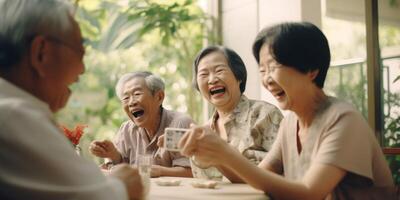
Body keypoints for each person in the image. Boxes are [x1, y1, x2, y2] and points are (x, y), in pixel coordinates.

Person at [178, 22, 394, 199]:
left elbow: (310, 193)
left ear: (310, 69)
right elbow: (255, 178)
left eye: (273, 67)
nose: (266, 80)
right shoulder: (291, 123)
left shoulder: (344, 120)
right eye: (262, 70)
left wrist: (224, 153)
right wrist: (217, 157)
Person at [0, 0, 143, 199]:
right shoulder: (15, 117)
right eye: (80, 51)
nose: (82, 70)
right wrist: (123, 184)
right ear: (41, 52)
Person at [184, 46, 282, 182]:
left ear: (239, 76)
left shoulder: (265, 114)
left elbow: (283, 172)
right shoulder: (204, 133)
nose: (212, 80)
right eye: (204, 75)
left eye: (219, 70)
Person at [89, 71, 193, 178]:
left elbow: (192, 172)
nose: (131, 102)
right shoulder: (126, 129)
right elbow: (121, 168)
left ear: (159, 97)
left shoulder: (180, 124)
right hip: (139, 193)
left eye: (137, 94)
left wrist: (160, 171)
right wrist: (112, 154)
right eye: (126, 98)